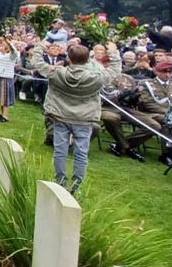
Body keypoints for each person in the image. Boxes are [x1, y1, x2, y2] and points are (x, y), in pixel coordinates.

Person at [31, 41, 120, 193]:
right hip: (84, 119)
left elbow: (38, 63)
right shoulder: (96, 77)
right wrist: (113, 52)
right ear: (88, 60)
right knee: (81, 153)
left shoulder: (57, 72)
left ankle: (60, 181)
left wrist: (40, 47)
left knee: (60, 151)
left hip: (61, 116)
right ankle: (76, 185)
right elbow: (115, 70)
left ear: (69, 59)